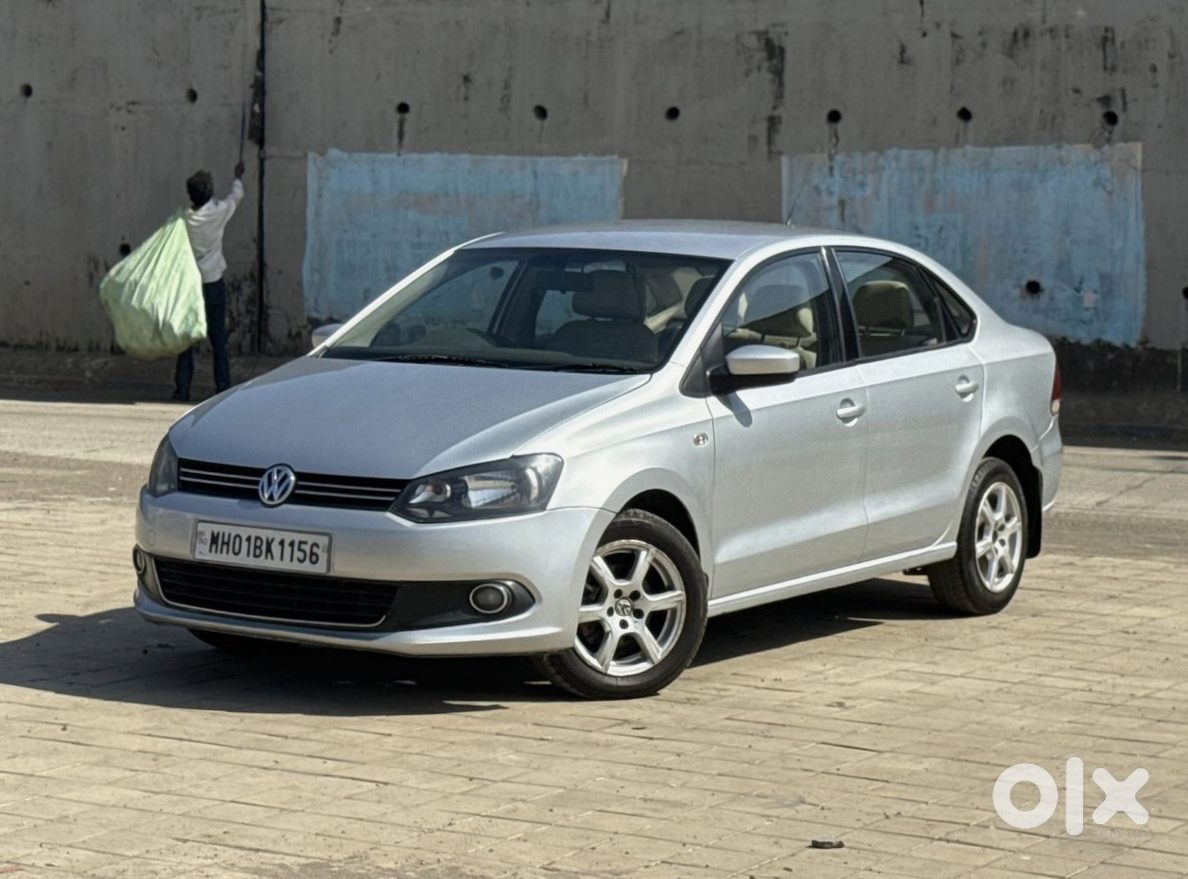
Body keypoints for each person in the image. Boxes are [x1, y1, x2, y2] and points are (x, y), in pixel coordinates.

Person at [173, 161, 246, 402]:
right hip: (213, 283)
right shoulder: (218, 212)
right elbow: (236, 197)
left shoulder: (184, 219)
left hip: (190, 287)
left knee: (187, 343)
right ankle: (222, 389)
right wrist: (237, 177)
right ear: (209, 192)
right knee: (218, 341)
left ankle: (182, 389)